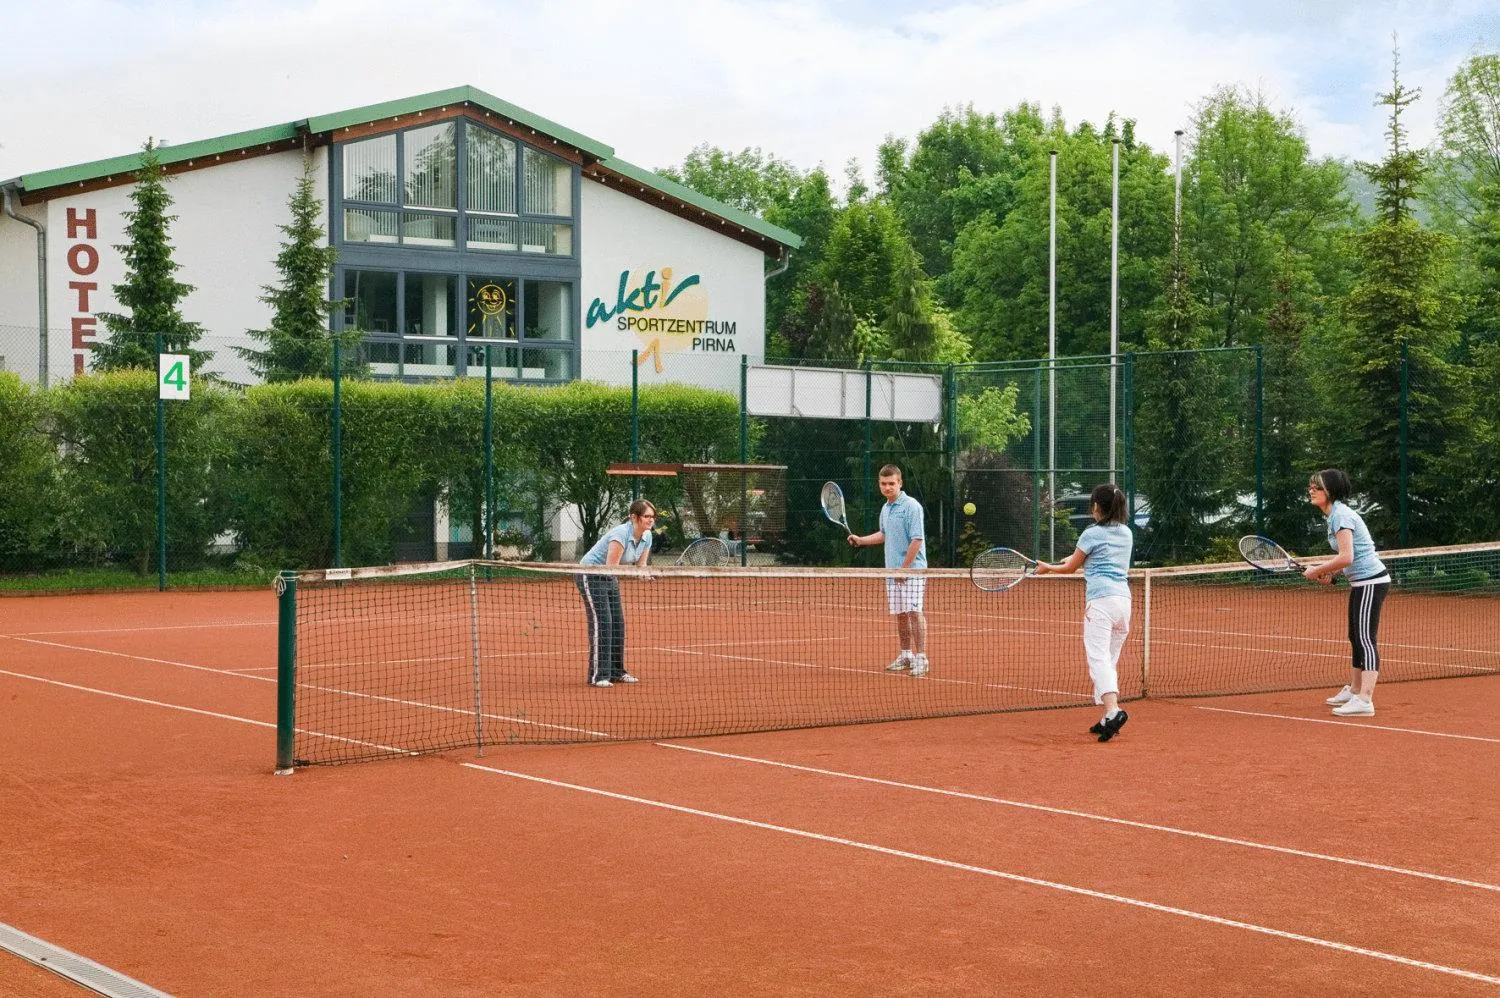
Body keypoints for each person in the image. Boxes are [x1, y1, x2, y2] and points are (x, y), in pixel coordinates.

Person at [1035, 483, 1134, 742]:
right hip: (1123, 603)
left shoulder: (1091, 533)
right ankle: (1106, 717)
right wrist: (1052, 565)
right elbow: (1081, 558)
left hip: (1100, 603)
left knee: (1098, 659)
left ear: (1097, 507)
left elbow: (1072, 567)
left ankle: (1113, 710)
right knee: (1108, 661)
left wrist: (1049, 568)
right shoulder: (1126, 533)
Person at [1304, 469, 1390, 717]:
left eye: (1317, 487)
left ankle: (1365, 700)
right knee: (1355, 636)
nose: (1311, 490)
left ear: (1330, 491)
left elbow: (1347, 556)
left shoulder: (1340, 516)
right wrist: (1332, 574)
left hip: (1371, 583)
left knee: (1365, 638)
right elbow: (1352, 558)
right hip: (1360, 582)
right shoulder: (1333, 516)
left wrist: (1317, 570)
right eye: (1310, 486)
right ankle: (1354, 690)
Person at [848, 465, 929, 677]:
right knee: (901, 615)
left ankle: (921, 658)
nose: (887, 487)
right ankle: (906, 655)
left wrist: (905, 570)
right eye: (883, 484)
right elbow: (883, 535)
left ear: (900, 483)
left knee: (914, 612)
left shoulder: (912, 506)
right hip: (892, 571)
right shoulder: (886, 508)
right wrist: (861, 540)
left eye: (891, 483)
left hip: (912, 571)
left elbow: (917, 539)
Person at [576, 498, 655, 687]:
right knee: (603, 622)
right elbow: (612, 568)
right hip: (591, 574)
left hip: (610, 578)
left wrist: (646, 575)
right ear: (634, 517)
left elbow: (640, 566)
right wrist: (636, 573)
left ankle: (617, 672)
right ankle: (598, 676)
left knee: (618, 624)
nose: (651, 520)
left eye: (653, 517)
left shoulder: (647, 536)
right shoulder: (620, 534)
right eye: (647, 516)